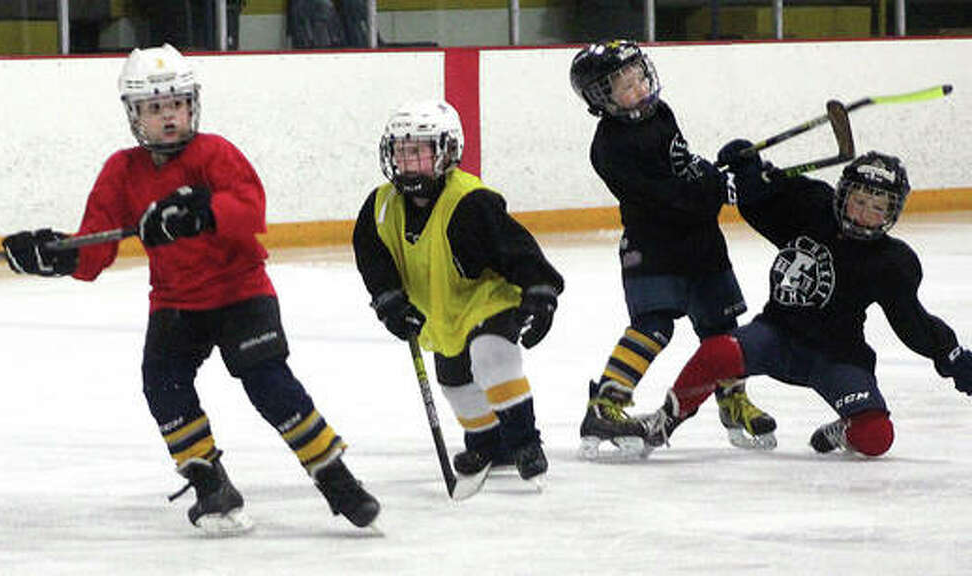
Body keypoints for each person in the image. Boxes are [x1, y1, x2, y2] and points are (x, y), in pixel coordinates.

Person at [1, 44, 379, 534]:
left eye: (177, 104)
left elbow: (250, 210)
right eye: (155, 108)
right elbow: (94, 252)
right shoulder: (122, 170)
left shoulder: (215, 153)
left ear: (192, 104)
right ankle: (210, 484)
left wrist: (202, 211)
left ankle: (337, 479)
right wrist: (53, 255)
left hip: (241, 292)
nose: (169, 117)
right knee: (162, 383)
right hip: (176, 302)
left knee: (267, 382)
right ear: (135, 114)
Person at [640, 149, 972, 456]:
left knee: (876, 437)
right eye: (859, 201)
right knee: (718, 352)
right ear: (843, 195)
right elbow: (759, 207)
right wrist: (750, 172)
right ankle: (665, 420)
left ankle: (844, 430)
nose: (864, 214)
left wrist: (952, 358)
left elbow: (913, 323)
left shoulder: (892, 261)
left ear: (892, 213)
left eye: (877, 208)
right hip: (775, 336)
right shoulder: (811, 207)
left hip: (836, 358)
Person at [568, 39, 777, 460]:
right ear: (601, 99)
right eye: (626, 86)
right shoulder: (610, 147)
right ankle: (605, 405)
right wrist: (720, 191)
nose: (640, 88)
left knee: (721, 328)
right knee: (653, 326)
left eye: (640, 77)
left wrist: (721, 171)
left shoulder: (660, 113)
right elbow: (667, 197)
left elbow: (683, 165)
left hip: (700, 241)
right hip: (654, 243)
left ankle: (733, 400)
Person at [352, 100, 564, 493]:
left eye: (417, 150)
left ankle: (524, 442)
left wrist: (540, 288)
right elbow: (373, 259)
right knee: (454, 383)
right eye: (401, 151)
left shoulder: (470, 201)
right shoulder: (380, 207)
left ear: (446, 151)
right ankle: (489, 445)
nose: (407, 160)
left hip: (487, 298)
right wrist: (389, 301)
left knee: (491, 356)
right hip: (440, 311)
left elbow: (514, 247)